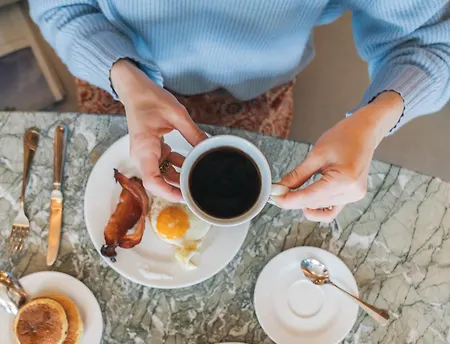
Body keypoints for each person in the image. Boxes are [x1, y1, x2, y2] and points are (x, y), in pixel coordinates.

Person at [30, 1, 450, 222]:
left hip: (259, 93)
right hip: (116, 70)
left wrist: (371, 123)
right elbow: (61, 7)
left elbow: (428, 42)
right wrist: (123, 76)